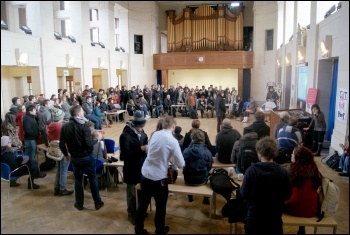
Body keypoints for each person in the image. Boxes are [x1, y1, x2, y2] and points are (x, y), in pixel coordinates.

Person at [134, 116, 185, 235]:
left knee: (143, 205)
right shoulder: (172, 141)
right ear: (173, 126)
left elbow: (149, 150)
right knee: (161, 207)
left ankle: (139, 229)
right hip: (158, 178)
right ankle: (159, 230)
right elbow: (181, 163)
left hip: (145, 173)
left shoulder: (155, 134)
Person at [240, 136, 292, 234]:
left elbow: (244, 194)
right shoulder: (283, 172)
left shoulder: (251, 171)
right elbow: (287, 195)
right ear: (274, 153)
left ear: (259, 153)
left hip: (255, 218)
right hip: (274, 218)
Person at [59, 105, 104, 211]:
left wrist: (66, 155)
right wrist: (97, 140)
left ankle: (79, 204)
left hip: (74, 158)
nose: (83, 113)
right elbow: (88, 144)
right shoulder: (84, 126)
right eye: (82, 111)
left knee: (78, 181)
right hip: (87, 157)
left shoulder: (65, 127)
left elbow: (61, 144)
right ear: (78, 113)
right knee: (92, 179)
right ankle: (97, 202)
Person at [284, 146, 322, 234]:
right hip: (312, 209)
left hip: (294, 208)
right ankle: (301, 229)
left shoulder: (292, 170)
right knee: (304, 198)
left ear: (298, 158)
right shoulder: (314, 170)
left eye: (292, 154)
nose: (291, 156)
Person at [119, 111, 149, 225]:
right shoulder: (125, 136)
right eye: (140, 127)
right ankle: (131, 213)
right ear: (135, 125)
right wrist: (141, 149)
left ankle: (140, 211)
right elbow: (124, 155)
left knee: (141, 192)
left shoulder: (143, 133)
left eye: (143, 126)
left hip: (142, 167)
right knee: (132, 194)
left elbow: (145, 145)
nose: (142, 128)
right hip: (131, 168)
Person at [47, 108, 74, 196]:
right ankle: (62, 188)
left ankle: (56, 187)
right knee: (64, 170)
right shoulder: (61, 127)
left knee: (59, 169)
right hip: (63, 150)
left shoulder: (50, 126)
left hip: (55, 151)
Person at [183, 129, 213, 204]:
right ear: (203, 139)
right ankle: (206, 197)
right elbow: (209, 167)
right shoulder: (207, 152)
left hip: (188, 180)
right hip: (202, 180)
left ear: (192, 138)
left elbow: (183, 165)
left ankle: (189, 196)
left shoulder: (186, 151)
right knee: (211, 174)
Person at [22, 105, 47, 181]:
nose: (36, 111)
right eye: (34, 110)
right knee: (32, 158)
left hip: (32, 139)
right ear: (30, 111)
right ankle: (35, 173)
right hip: (30, 140)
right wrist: (35, 134)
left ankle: (35, 172)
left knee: (32, 157)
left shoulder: (30, 117)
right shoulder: (27, 119)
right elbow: (28, 130)